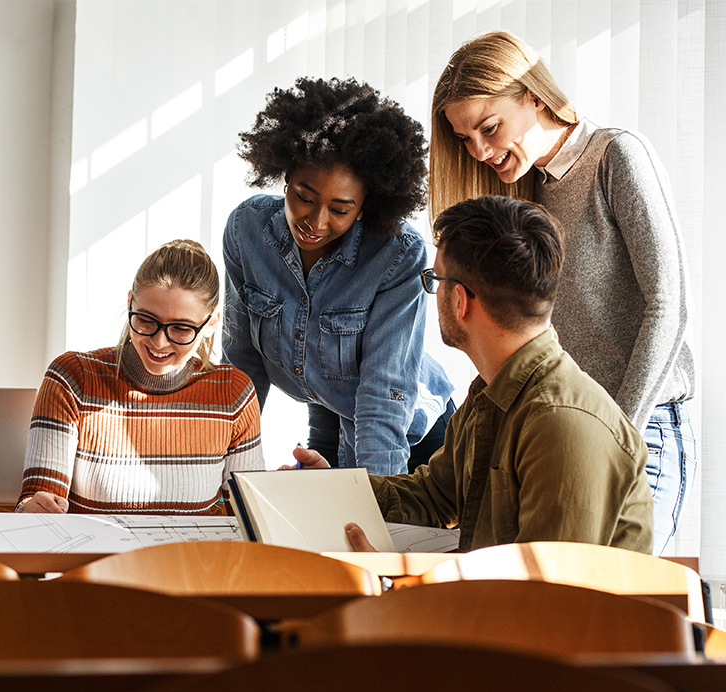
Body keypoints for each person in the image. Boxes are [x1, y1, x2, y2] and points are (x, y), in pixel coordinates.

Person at [429, 30, 694, 554]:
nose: (479, 151)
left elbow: (669, 305)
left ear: (533, 95)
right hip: (559, 432)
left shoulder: (616, 156)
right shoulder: (525, 189)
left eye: (488, 127)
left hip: (640, 424)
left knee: (598, 604)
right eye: (465, 139)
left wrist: (618, 430)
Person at [297, 196, 653, 554]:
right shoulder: (491, 394)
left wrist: (396, 585)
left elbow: (546, 599)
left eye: (434, 280)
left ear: (460, 301)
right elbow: (433, 497)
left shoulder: (562, 424)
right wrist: (335, 490)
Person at [223, 76, 454, 477]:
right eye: (304, 197)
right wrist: (228, 469)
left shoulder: (398, 255)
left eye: (340, 209)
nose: (315, 221)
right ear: (285, 176)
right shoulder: (248, 230)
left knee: (371, 529)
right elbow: (242, 365)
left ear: (366, 205)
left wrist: (379, 504)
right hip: (329, 413)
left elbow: (382, 397)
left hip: (409, 437)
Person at [18, 239, 264, 515]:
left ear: (211, 323)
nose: (159, 342)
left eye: (181, 328)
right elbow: (34, 505)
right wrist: (32, 511)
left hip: (196, 559)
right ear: (129, 303)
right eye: (146, 320)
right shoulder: (73, 378)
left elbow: (246, 520)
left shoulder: (233, 393)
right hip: (96, 558)